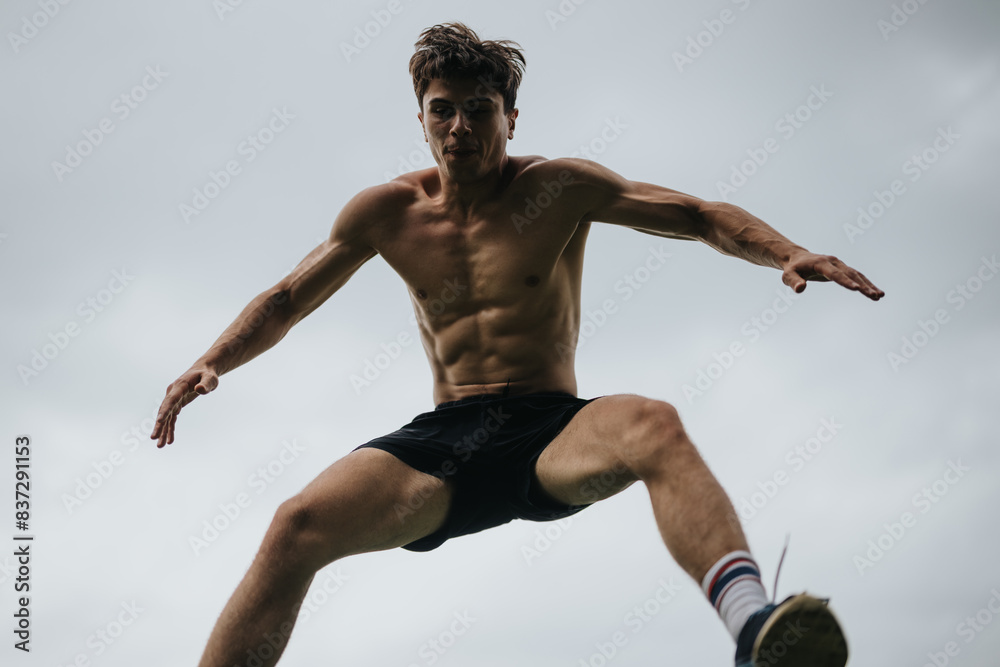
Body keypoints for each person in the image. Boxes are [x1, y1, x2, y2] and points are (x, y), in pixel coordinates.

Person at [152, 22, 882, 667]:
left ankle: (754, 627)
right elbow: (286, 298)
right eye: (444, 110)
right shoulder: (386, 212)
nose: (460, 127)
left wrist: (787, 251)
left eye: (479, 109)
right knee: (294, 526)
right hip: (445, 447)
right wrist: (212, 358)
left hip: (551, 429)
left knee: (652, 422)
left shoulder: (560, 187)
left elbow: (695, 214)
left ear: (510, 117)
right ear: (421, 117)